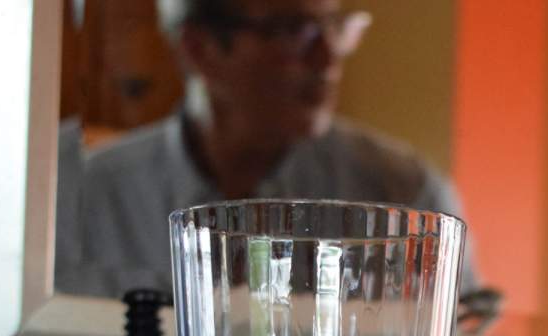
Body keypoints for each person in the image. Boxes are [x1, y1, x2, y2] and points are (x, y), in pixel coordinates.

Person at [59, 0, 480, 299]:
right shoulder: (80, 200)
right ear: (199, 48)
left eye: (335, 27)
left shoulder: (404, 198)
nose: (327, 58)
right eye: (295, 31)